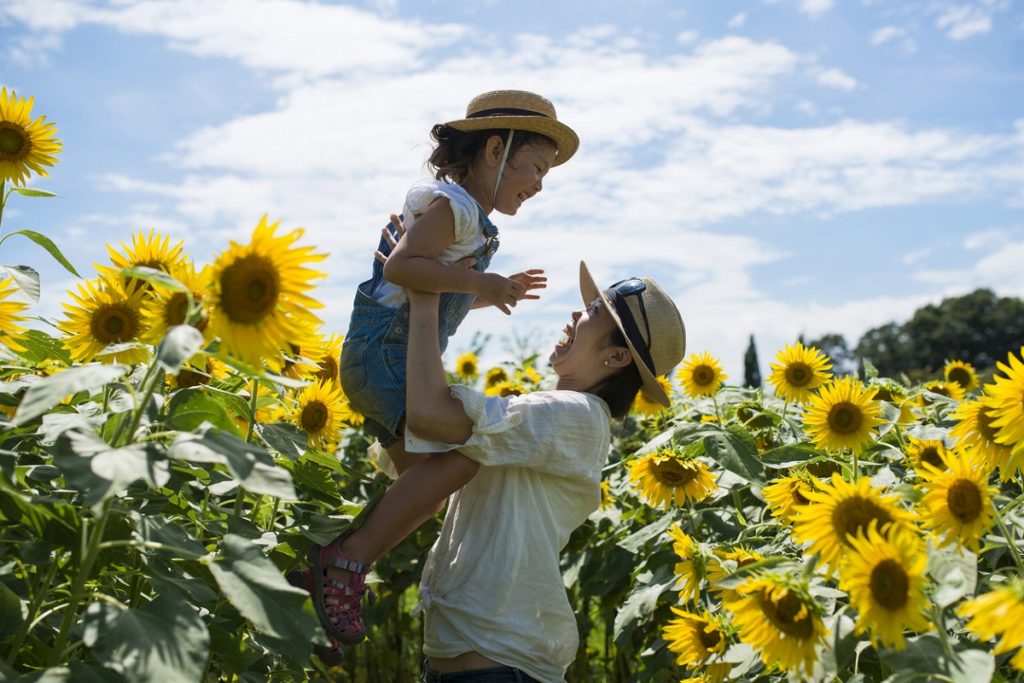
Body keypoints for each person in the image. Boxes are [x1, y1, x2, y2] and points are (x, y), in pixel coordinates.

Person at [302, 91, 581, 647]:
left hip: (386, 355)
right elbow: (406, 268)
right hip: (387, 357)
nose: (540, 184)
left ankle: (325, 569)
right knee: (458, 463)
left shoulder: (467, 217)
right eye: (535, 168)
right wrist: (482, 283)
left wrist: (488, 294)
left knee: (424, 493)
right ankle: (346, 561)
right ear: (494, 150)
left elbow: (429, 288)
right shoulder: (452, 207)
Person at [404, 262, 686, 681]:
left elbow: (428, 413)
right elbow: (421, 464)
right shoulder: (539, 422)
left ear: (616, 356)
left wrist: (425, 286)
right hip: (467, 664)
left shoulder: (578, 415)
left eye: (593, 312)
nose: (575, 314)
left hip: (500, 667)